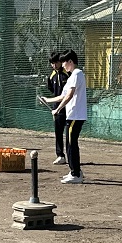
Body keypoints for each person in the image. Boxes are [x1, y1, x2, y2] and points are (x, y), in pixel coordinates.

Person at [39, 49, 87, 184]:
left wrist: (58, 109)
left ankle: (76, 174)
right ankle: (74, 171)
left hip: (76, 116)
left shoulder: (77, 74)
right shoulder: (72, 76)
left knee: (71, 145)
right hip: (72, 116)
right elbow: (62, 96)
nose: (62, 65)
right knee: (69, 144)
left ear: (70, 61)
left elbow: (69, 96)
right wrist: (47, 100)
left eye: (64, 62)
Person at [46, 51, 70, 164]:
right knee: (58, 133)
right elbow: (52, 90)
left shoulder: (68, 74)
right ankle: (60, 155)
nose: (54, 65)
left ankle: (71, 156)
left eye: (56, 62)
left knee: (69, 134)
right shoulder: (51, 76)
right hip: (57, 109)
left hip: (69, 108)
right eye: (52, 63)